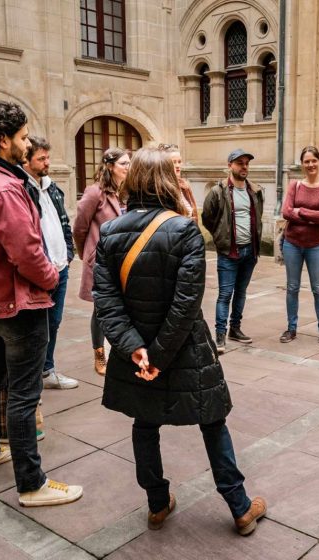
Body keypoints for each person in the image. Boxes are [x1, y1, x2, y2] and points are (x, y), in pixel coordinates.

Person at [92, 147, 266, 535]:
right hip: (184, 347)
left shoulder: (110, 231)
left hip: (134, 352)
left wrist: (135, 348)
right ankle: (239, 507)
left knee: (144, 422)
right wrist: (158, 354)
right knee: (212, 421)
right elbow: (186, 302)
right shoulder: (184, 229)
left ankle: (157, 503)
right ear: (167, 182)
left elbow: (106, 301)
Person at [0, 100, 82, 506]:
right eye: (23, 137)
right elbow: (26, 252)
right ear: (4, 140)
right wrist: (51, 277)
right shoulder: (4, 187)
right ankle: (31, 483)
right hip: (18, 305)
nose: (27, 144)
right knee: (24, 395)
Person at [23, 136, 79, 390]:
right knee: (35, 328)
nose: (47, 163)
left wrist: (67, 254)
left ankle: (47, 371)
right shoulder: (21, 189)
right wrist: (44, 265)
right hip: (40, 271)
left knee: (53, 323)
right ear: (26, 161)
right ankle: (31, 379)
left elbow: (64, 223)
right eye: (41, 159)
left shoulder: (52, 187)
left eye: (48, 157)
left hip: (60, 268)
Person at [73, 147, 130, 375]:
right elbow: (79, 227)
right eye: (124, 164)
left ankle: (122, 349)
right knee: (101, 309)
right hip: (102, 262)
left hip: (125, 260)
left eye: (129, 163)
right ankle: (99, 354)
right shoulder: (94, 192)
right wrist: (86, 254)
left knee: (123, 306)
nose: (128, 168)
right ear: (109, 166)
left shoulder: (125, 192)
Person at [202, 149, 264, 353]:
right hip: (229, 252)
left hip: (250, 251)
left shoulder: (254, 190)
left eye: (247, 163)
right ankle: (220, 335)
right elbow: (207, 218)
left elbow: (258, 217)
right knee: (225, 294)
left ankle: (235, 329)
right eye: (240, 163)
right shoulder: (218, 192)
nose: (244, 166)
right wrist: (221, 237)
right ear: (230, 165)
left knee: (241, 292)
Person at [280, 145, 319, 346]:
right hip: (292, 244)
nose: (311, 164)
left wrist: (301, 211)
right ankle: (291, 328)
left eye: (314, 160)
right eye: (307, 161)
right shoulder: (295, 185)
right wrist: (314, 216)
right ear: (302, 164)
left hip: (315, 246)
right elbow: (286, 212)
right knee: (292, 287)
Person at [157, 143, 198, 222]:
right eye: (174, 162)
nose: (178, 165)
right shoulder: (162, 188)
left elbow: (193, 212)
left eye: (179, 162)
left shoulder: (184, 185)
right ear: (165, 165)